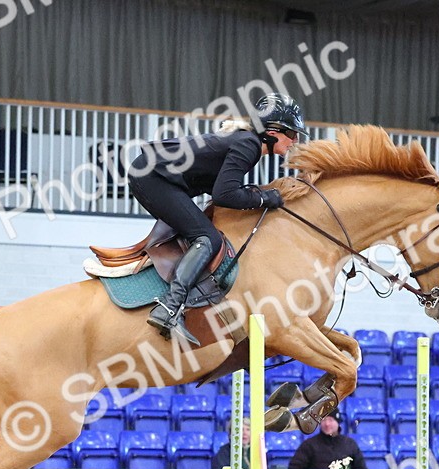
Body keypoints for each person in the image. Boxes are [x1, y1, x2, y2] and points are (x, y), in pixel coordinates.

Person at [128, 93, 306, 346]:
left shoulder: (246, 141)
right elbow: (224, 195)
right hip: (153, 177)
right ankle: (169, 307)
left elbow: (220, 190)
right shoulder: (248, 145)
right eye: (292, 134)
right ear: (273, 131)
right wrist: (265, 199)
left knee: (202, 232)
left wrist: (256, 195)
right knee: (207, 238)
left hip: (155, 176)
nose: (295, 141)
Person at [288, 411, 366, 469]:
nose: (327, 424)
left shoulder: (350, 444)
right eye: (323, 420)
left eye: (331, 420)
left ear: (338, 423)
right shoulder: (309, 445)